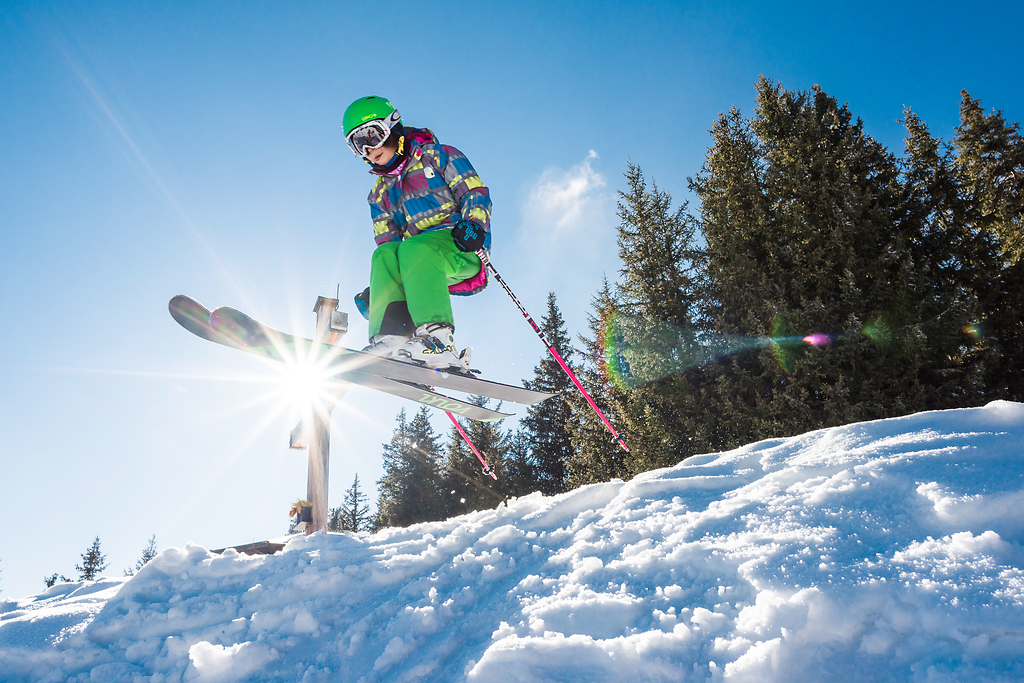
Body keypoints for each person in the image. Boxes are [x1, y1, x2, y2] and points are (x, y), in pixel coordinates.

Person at [343, 96, 491, 370]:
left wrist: (474, 225)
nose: (368, 149)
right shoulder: (378, 194)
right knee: (384, 255)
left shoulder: (439, 155)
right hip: (419, 266)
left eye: (371, 136)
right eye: (357, 144)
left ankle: (438, 342)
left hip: (460, 244)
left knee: (414, 248)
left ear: (392, 127)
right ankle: (391, 339)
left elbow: (474, 191)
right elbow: (389, 245)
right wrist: (381, 291)